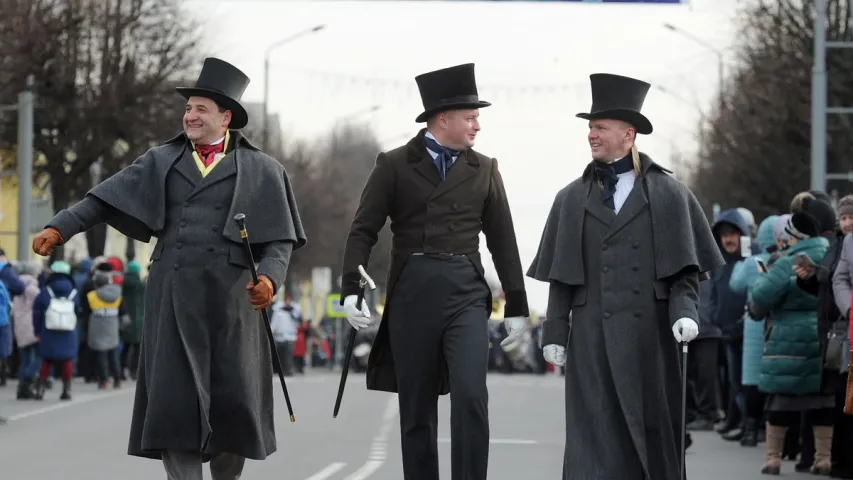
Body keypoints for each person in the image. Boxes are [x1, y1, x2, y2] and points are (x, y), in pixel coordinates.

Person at [31, 57, 306, 480]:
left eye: (201, 109)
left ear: (226, 117)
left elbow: (280, 240)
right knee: (175, 403)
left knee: (234, 405)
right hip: (172, 298)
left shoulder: (263, 170)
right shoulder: (161, 159)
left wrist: (269, 277)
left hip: (233, 303)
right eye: (189, 108)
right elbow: (104, 199)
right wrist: (61, 226)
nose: (190, 116)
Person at [527, 73, 724, 480]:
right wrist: (553, 332)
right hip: (591, 340)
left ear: (629, 134)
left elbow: (685, 273)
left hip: (650, 338)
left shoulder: (669, 194)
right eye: (590, 128)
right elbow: (562, 277)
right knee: (592, 439)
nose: (592, 135)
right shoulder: (570, 197)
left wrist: (685, 313)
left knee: (651, 434)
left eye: (600, 127)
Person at [340, 63, 529, 480]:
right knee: (417, 408)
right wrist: (350, 288)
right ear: (443, 119)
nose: (477, 125)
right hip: (412, 293)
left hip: (466, 293)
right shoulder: (393, 164)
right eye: (471, 117)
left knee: (470, 397)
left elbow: (503, 240)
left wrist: (516, 303)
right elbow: (363, 229)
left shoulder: (486, 168)